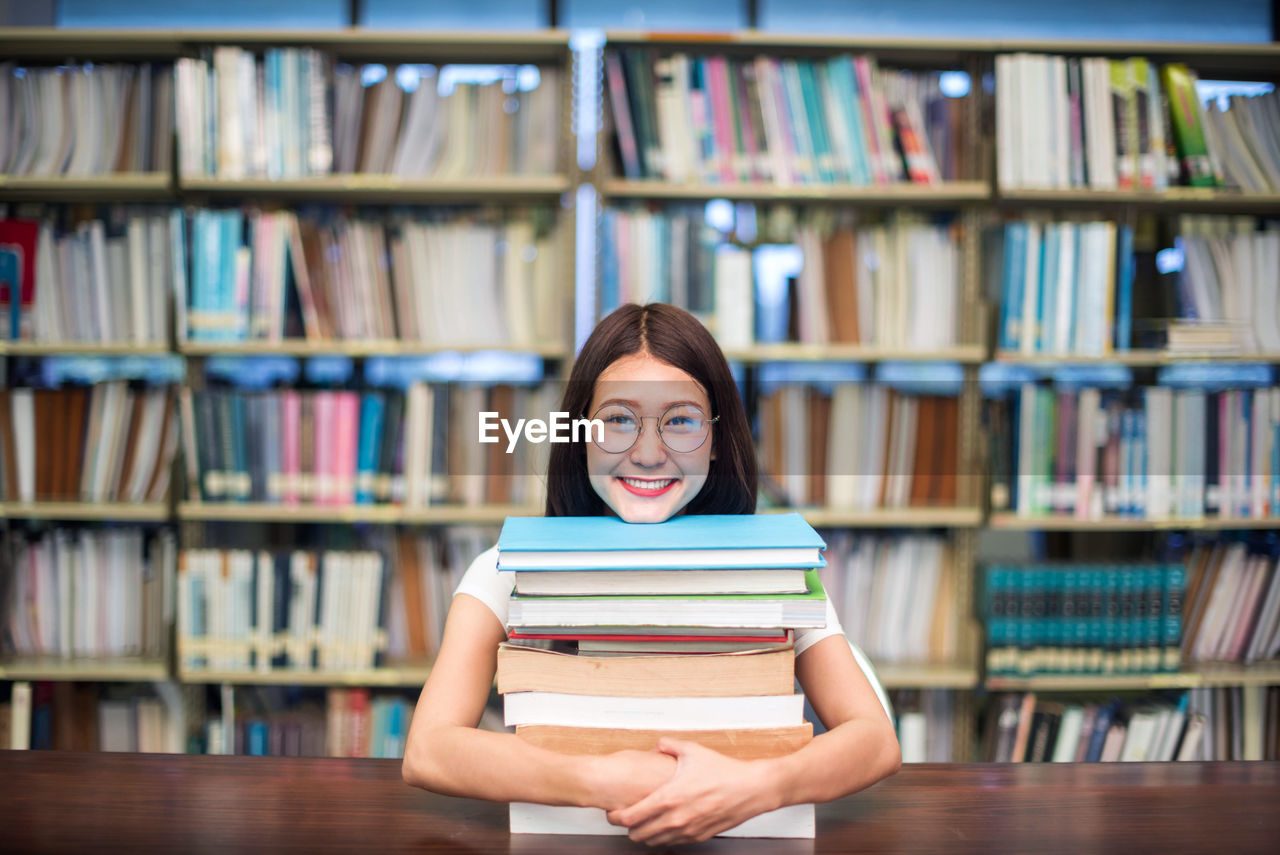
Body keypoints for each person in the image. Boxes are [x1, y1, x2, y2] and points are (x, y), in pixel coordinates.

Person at [402, 303, 900, 846]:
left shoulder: (769, 569)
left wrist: (754, 787)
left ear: (715, 441)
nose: (646, 454)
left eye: (680, 421)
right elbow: (429, 749)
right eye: (617, 420)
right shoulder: (506, 569)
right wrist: (597, 777)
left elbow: (874, 740)